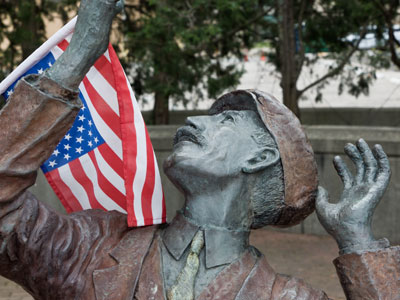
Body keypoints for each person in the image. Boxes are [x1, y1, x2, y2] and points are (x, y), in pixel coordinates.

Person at [0, 1, 398, 299]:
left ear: (259, 158)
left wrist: (357, 241)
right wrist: (77, 59)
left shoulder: (283, 296)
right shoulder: (95, 246)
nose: (193, 121)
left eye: (225, 121)